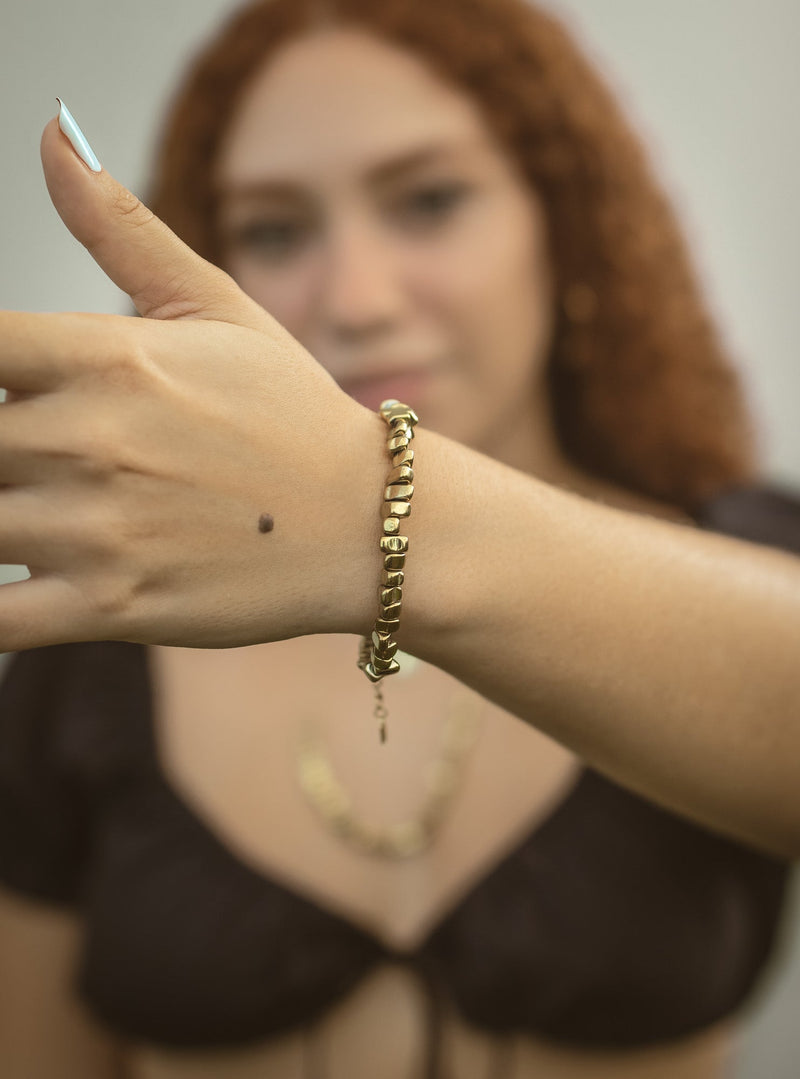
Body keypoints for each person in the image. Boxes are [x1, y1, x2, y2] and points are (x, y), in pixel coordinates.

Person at [1, 0, 799, 1075]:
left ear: (562, 222)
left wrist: (370, 509)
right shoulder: (96, 647)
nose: (356, 298)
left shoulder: (745, 562)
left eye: (427, 201)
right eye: (276, 230)